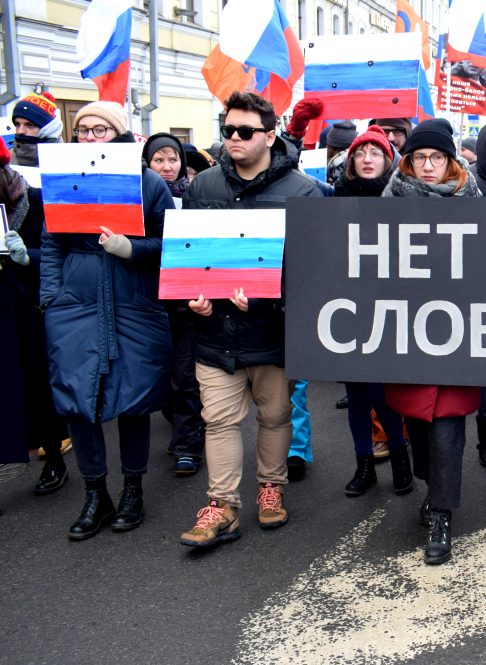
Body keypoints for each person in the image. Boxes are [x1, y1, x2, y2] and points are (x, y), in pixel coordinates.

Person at [178, 92, 322, 548]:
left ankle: (270, 488)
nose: (233, 139)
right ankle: (221, 506)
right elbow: (188, 257)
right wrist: (192, 300)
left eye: (244, 131)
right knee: (218, 421)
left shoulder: (302, 191)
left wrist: (265, 304)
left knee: (275, 417)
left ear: (270, 135)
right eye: (227, 131)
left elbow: (312, 271)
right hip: (214, 330)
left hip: (272, 331)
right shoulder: (202, 187)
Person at [41, 101, 175, 540]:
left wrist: (130, 249)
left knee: (132, 397)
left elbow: (171, 243)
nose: (91, 138)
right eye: (83, 130)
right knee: (78, 400)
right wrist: (52, 298)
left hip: (132, 297)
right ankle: (95, 493)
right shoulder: (63, 181)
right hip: (76, 303)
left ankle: (132, 489)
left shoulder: (148, 182)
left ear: (118, 135)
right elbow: (51, 243)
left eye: (101, 130)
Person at [381, 118, 483, 565]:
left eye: (436, 157)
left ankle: (443, 512)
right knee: (418, 426)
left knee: (447, 427)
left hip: (459, 332)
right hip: (408, 332)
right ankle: (430, 487)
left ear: (450, 161)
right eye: (419, 157)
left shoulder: (475, 202)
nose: (427, 166)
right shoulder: (388, 202)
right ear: (408, 160)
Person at [331, 125, 414, 498]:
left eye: (375, 153)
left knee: (384, 394)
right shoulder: (334, 200)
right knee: (358, 394)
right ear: (351, 161)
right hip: (349, 306)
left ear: (388, 160)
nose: (367, 159)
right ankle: (363, 464)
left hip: (390, 305)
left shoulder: (401, 199)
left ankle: (399, 459)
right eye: (361, 153)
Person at [0, 137, 70, 494]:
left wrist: (29, 256)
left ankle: (54, 456)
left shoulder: (36, 200)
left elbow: (61, 251)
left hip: (28, 308)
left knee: (37, 384)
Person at [142, 132, 206, 476]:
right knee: (161, 376)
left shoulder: (194, 197)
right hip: (150, 302)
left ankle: (188, 443)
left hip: (186, 300)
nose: (167, 167)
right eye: (158, 160)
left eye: (172, 159)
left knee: (185, 378)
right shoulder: (138, 200)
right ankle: (185, 426)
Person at [10, 91, 63, 167]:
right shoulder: (5, 160)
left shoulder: (67, 159)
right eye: (17, 124)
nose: (20, 131)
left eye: (29, 125)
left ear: (47, 129)